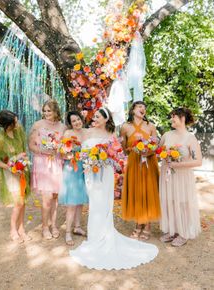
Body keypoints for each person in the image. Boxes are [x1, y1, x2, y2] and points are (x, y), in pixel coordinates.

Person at [70, 107, 158, 270]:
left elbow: (117, 156)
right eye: (94, 116)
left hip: (106, 173)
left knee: (104, 203)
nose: (94, 119)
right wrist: (87, 158)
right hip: (90, 172)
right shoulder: (87, 132)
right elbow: (81, 152)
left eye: (97, 117)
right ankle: (95, 236)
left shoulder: (111, 136)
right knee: (94, 204)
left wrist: (104, 159)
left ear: (105, 119)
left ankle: (104, 235)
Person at [159, 107, 202, 247]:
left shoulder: (190, 138)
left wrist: (177, 164)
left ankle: (183, 232)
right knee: (169, 201)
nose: (171, 119)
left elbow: (198, 161)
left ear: (182, 119)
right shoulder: (167, 135)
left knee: (182, 202)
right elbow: (159, 152)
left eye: (174, 117)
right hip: (167, 175)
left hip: (182, 176)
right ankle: (172, 230)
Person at [121, 101, 161, 239]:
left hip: (149, 163)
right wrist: (133, 149)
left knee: (148, 192)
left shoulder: (151, 126)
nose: (143, 109)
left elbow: (155, 146)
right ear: (132, 110)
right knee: (137, 193)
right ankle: (138, 224)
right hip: (134, 163)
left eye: (144, 107)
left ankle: (147, 225)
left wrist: (147, 152)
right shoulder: (125, 127)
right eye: (139, 107)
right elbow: (124, 148)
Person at [0, 110, 30, 243]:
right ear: (8, 125)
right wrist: (10, 167)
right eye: (14, 122)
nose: (17, 123)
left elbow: (23, 150)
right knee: (18, 202)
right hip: (10, 173)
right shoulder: (0, 139)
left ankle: (21, 229)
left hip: (22, 170)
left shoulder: (19, 131)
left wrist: (22, 161)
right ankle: (13, 230)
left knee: (23, 202)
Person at [28, 99, 66, 240]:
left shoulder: (63, 127)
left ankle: (54, 225)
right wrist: (44, 150)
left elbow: (65, 145)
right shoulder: (37, 125)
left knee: (55, 196)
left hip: (57, 162)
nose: (46, 113)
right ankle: (44, 227)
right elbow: (31, 145)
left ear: (56, 111)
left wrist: (60, 149)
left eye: (49, 110)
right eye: (44, 111)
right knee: (47, 197)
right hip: (43, 163)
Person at [58, 111, 88, 246]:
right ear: (70, 124)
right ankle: (68, 232)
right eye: (74, 121)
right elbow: (62, 152)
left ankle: (77, 227)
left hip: (84, 168)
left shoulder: (87, 132)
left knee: (80, 200)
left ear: (82, 119)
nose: (77, 122)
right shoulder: (68, 134)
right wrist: (69, 155)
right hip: (71, 168)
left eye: (78, 119)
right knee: (71, 203)